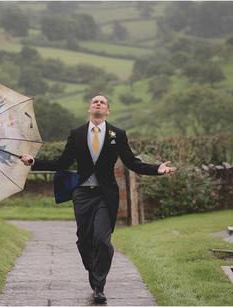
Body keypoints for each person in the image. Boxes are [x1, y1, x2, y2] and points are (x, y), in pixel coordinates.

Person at [20, 94, 176, 304]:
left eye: (102, 102)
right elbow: (62, 162)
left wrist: (157, 168)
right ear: (89, 108)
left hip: (105, 195)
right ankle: (94, 271)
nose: (99, 104)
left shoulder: (117, 134)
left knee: (102, 241)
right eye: (95, 101)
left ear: (108, 110)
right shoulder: (76, 134)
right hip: (82, 194)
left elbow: (132, 162)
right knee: (84, 241)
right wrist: (33, 162)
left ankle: (99, 287)